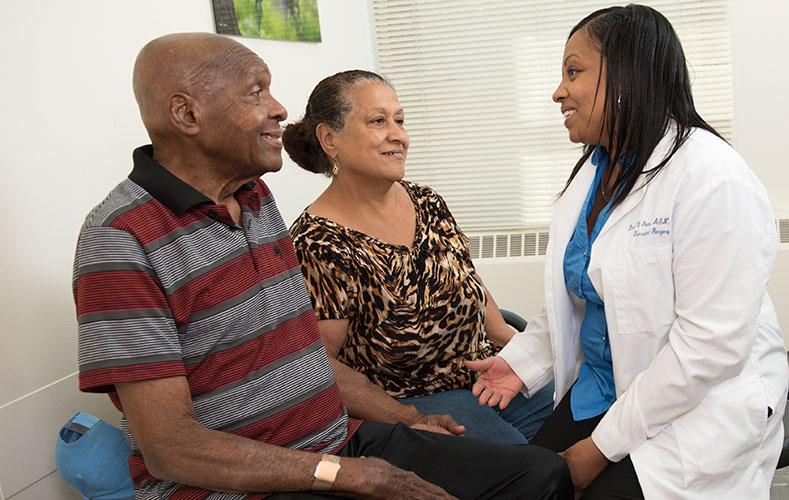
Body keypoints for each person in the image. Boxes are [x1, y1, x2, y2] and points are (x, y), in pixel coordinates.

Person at [72, 32, 572, 500]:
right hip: (245, 484)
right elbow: (170, 449)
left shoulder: (255, 199)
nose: (280, 109)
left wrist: (407, 419)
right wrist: (342, 473)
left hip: (338, 442)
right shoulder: (120, 239)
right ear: (186, 114)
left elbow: (309, 355)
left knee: (543, 475)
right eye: (255, 93)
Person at [467, 5, 789, 499]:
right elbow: (575, 297)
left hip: (697, 407)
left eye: (574, 71)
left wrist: (600, 448)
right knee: (531, 486)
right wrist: (522, 361)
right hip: (606, 387)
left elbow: (709, 347)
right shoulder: (594, 173)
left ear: (626, 74)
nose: (558, 91)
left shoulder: (711, 179)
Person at [282, 70, 554, 445]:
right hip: (419, 398)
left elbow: (467, 281)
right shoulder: (317, 243)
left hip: (485, 368)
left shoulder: (427, 201)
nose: (398, 135)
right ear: (330, 139)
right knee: (534, 473)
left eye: (400, 120)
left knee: (585, 428)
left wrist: (515, 346)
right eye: (378, 121)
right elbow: (321, 365)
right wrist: (407, 419)